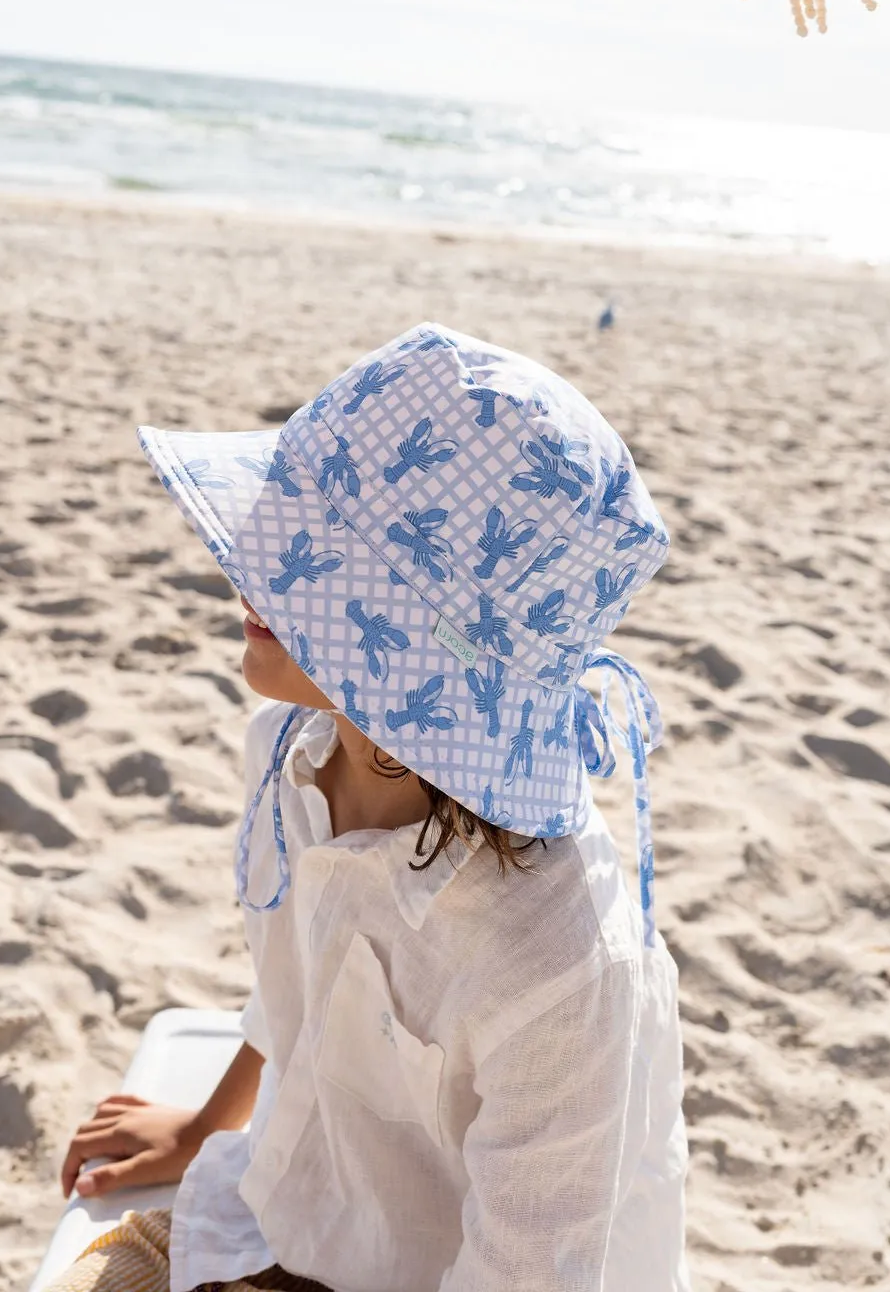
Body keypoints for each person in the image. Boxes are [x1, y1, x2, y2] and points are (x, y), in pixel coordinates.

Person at [50, 322, 690, 1292]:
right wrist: (205, 1123)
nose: (253, 553)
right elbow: (300, 984)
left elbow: (530, 1268)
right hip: (297, 1205)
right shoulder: (289, 751)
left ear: (410, 659)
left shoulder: (559, 959)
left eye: (309, 559)